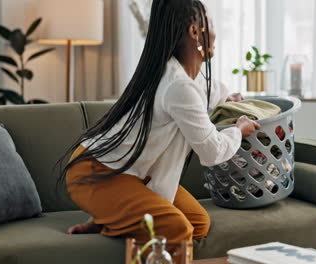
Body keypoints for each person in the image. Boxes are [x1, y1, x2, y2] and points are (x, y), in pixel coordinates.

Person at [58, 0, 260, 257]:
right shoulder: (178, 85)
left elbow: (207, 91)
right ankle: (111, 212)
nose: (215, 32)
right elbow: (211, 152)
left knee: (198, 223)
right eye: (210, 23)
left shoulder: (186, 77)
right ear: (194, 31)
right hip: (96, 172)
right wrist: (238, 130)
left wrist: (228, 98)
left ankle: (113, 220)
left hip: (136, 173)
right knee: (176, 229)